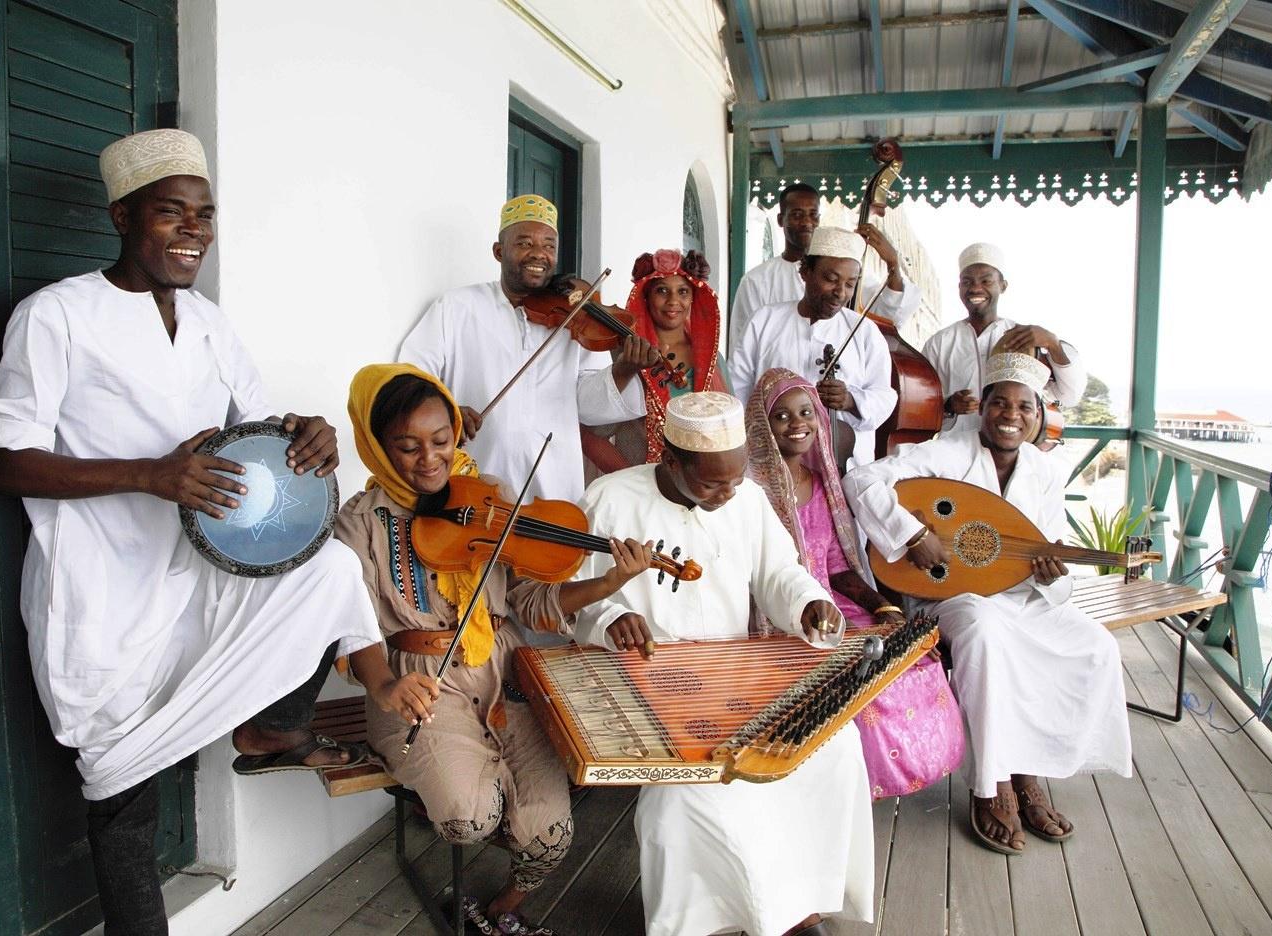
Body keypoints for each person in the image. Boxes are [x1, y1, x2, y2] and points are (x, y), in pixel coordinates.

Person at [0, 129, 384, 935]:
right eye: (172, 213)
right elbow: (7, 462)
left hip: (201, 578)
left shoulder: (206, 322)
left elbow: (256, 429)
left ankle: (275, 723)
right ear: (123, 216)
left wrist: (310, 435)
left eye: (204, 214)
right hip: (100, 589)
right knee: (124, 792)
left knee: (330, 572)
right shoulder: (56, 314)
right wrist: (149, 474)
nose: (194, 229)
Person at [334, 363, 659, 935]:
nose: (430, 459)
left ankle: (504, 905)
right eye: (407, 447)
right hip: (417, 680)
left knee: (550, 830)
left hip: (505, 669)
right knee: (469, 817)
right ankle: (444, 788)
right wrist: (385, 685)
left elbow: (534, 600)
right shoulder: (360, 523)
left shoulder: (487, 498)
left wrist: (608, 582)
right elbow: (354, 626)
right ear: (377, 446)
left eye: (442, 440)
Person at [572, 392, 873, 936]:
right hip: (652, 677)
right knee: (686, 802)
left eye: (734, 480)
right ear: (670, 461)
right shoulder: (610, 500)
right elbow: (577, 594)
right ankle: (703, 924)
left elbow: (779, 570)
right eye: (712, 484)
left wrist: (808, 602)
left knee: (833, 748)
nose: (727, 494)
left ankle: (797, 906)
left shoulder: (746, 498)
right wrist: (611, 617)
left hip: (737, 670)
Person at [844, 352, 1131, 856]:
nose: (1011, 416)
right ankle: (992, 784)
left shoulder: (1044, 472)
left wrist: (1048, 577)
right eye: (1001, 403)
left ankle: (1027, 770)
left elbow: (1047, 550)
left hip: (1022, 597)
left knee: (1096, 645)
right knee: (983, 630)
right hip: (951, 595)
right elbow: (860, 480)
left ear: (1039, 415)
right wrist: (911, 535)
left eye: (1024, 407)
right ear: (984, 407)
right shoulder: (947, 451)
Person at [745, 369, 964, 799]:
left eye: (806, 412)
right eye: (782, 416)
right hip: (779, 613)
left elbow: (838, 567)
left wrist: (884, 607)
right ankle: (837, 789)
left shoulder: (825, 485)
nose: (797, 424)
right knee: (848, 681)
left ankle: (880, 783)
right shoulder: (748, 490)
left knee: (910, 657)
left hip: (839, 605)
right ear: (762, 426)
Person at [399, 194, 656, 501]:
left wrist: (623, 370)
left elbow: (588, 407)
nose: (539, 254)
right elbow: (411, 377)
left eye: (549, 245)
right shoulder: (455, 307)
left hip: (554, 481)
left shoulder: (577, 319)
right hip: (474, 475)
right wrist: (447, 410)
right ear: (499, 251)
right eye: (524, 243)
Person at [728, 226, 896, 468]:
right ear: (805, 271)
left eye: (850, 284)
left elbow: (884, 396)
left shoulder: (864, 330)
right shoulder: (765, 320)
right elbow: (739, 387)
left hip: (844, 466)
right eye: (831, 279)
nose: (840, 292)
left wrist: (850, 400)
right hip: (772, 461)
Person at [579, 247, 731, 473]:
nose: (673, 301)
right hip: (640, 487)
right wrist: (632, 481)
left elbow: (730, 425)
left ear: (693, 298)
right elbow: (592, 432)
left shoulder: (713, 359)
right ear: (646, 297)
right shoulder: (624, 355)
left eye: (683, 292)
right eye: (662, 291)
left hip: (702, 484)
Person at [727, 182, 920, 354]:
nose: (806, 223)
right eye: (797, 215)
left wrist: (893, 263)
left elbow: (888, 313)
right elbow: (742, 345)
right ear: (780, 220)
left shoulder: (844, 273)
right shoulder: (756, 280)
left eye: (813, 215)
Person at [923, 242, 1086, 437]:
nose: (975, 288)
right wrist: (948, 405)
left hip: (1014, 454)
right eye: (967, 282)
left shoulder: (1024, 338)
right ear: (959, 287)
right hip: (955, 454)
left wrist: (1052, 343)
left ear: (1003, 286)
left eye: (986, 281)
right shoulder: (940, 343)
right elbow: (920, 404)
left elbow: (1069, 396)